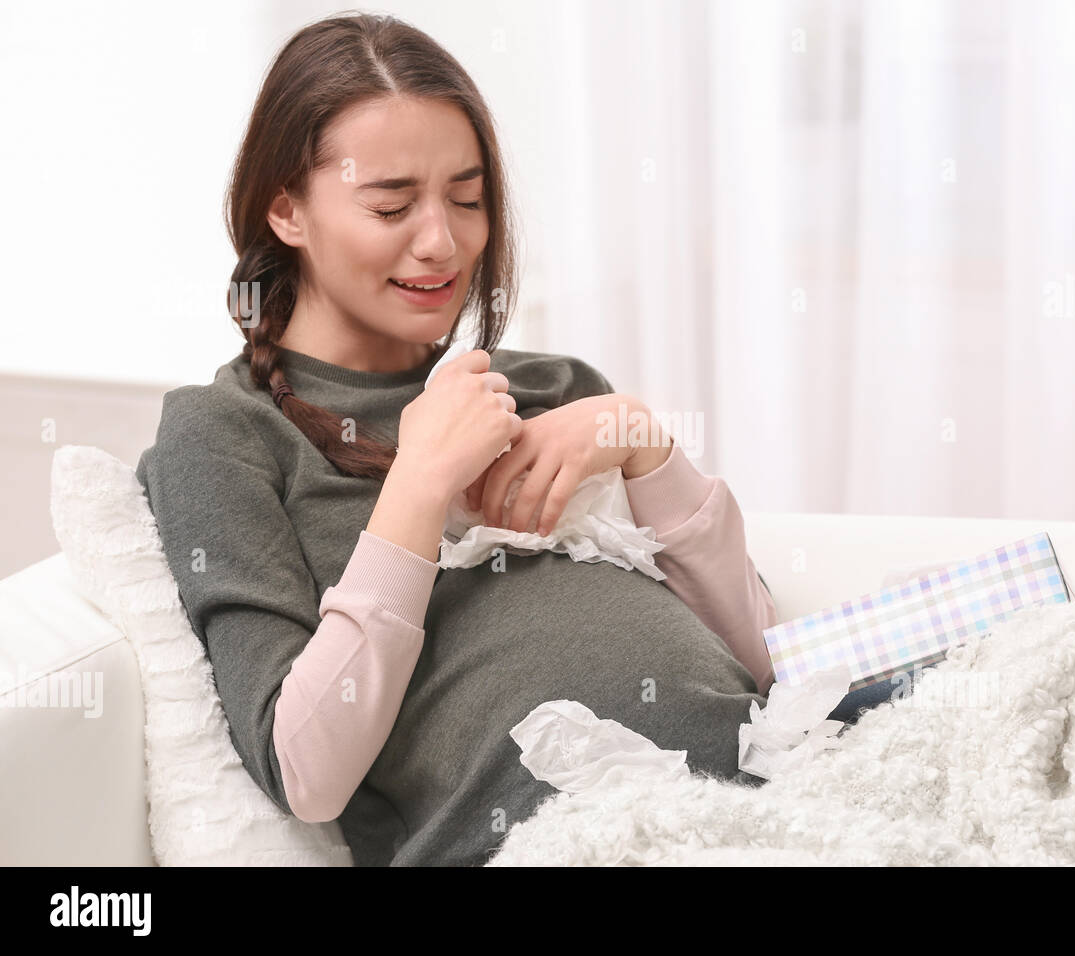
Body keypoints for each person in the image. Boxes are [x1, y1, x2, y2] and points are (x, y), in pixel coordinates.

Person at [136, 12, 778, 867]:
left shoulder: (551, 388)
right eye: (392, 203)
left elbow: (768, 661)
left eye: (468, 199)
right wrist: (419, 482)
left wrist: (644, 441)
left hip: (776, 793)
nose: (442, 242)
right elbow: (306, 770)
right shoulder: (221, 433)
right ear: (284, 208)